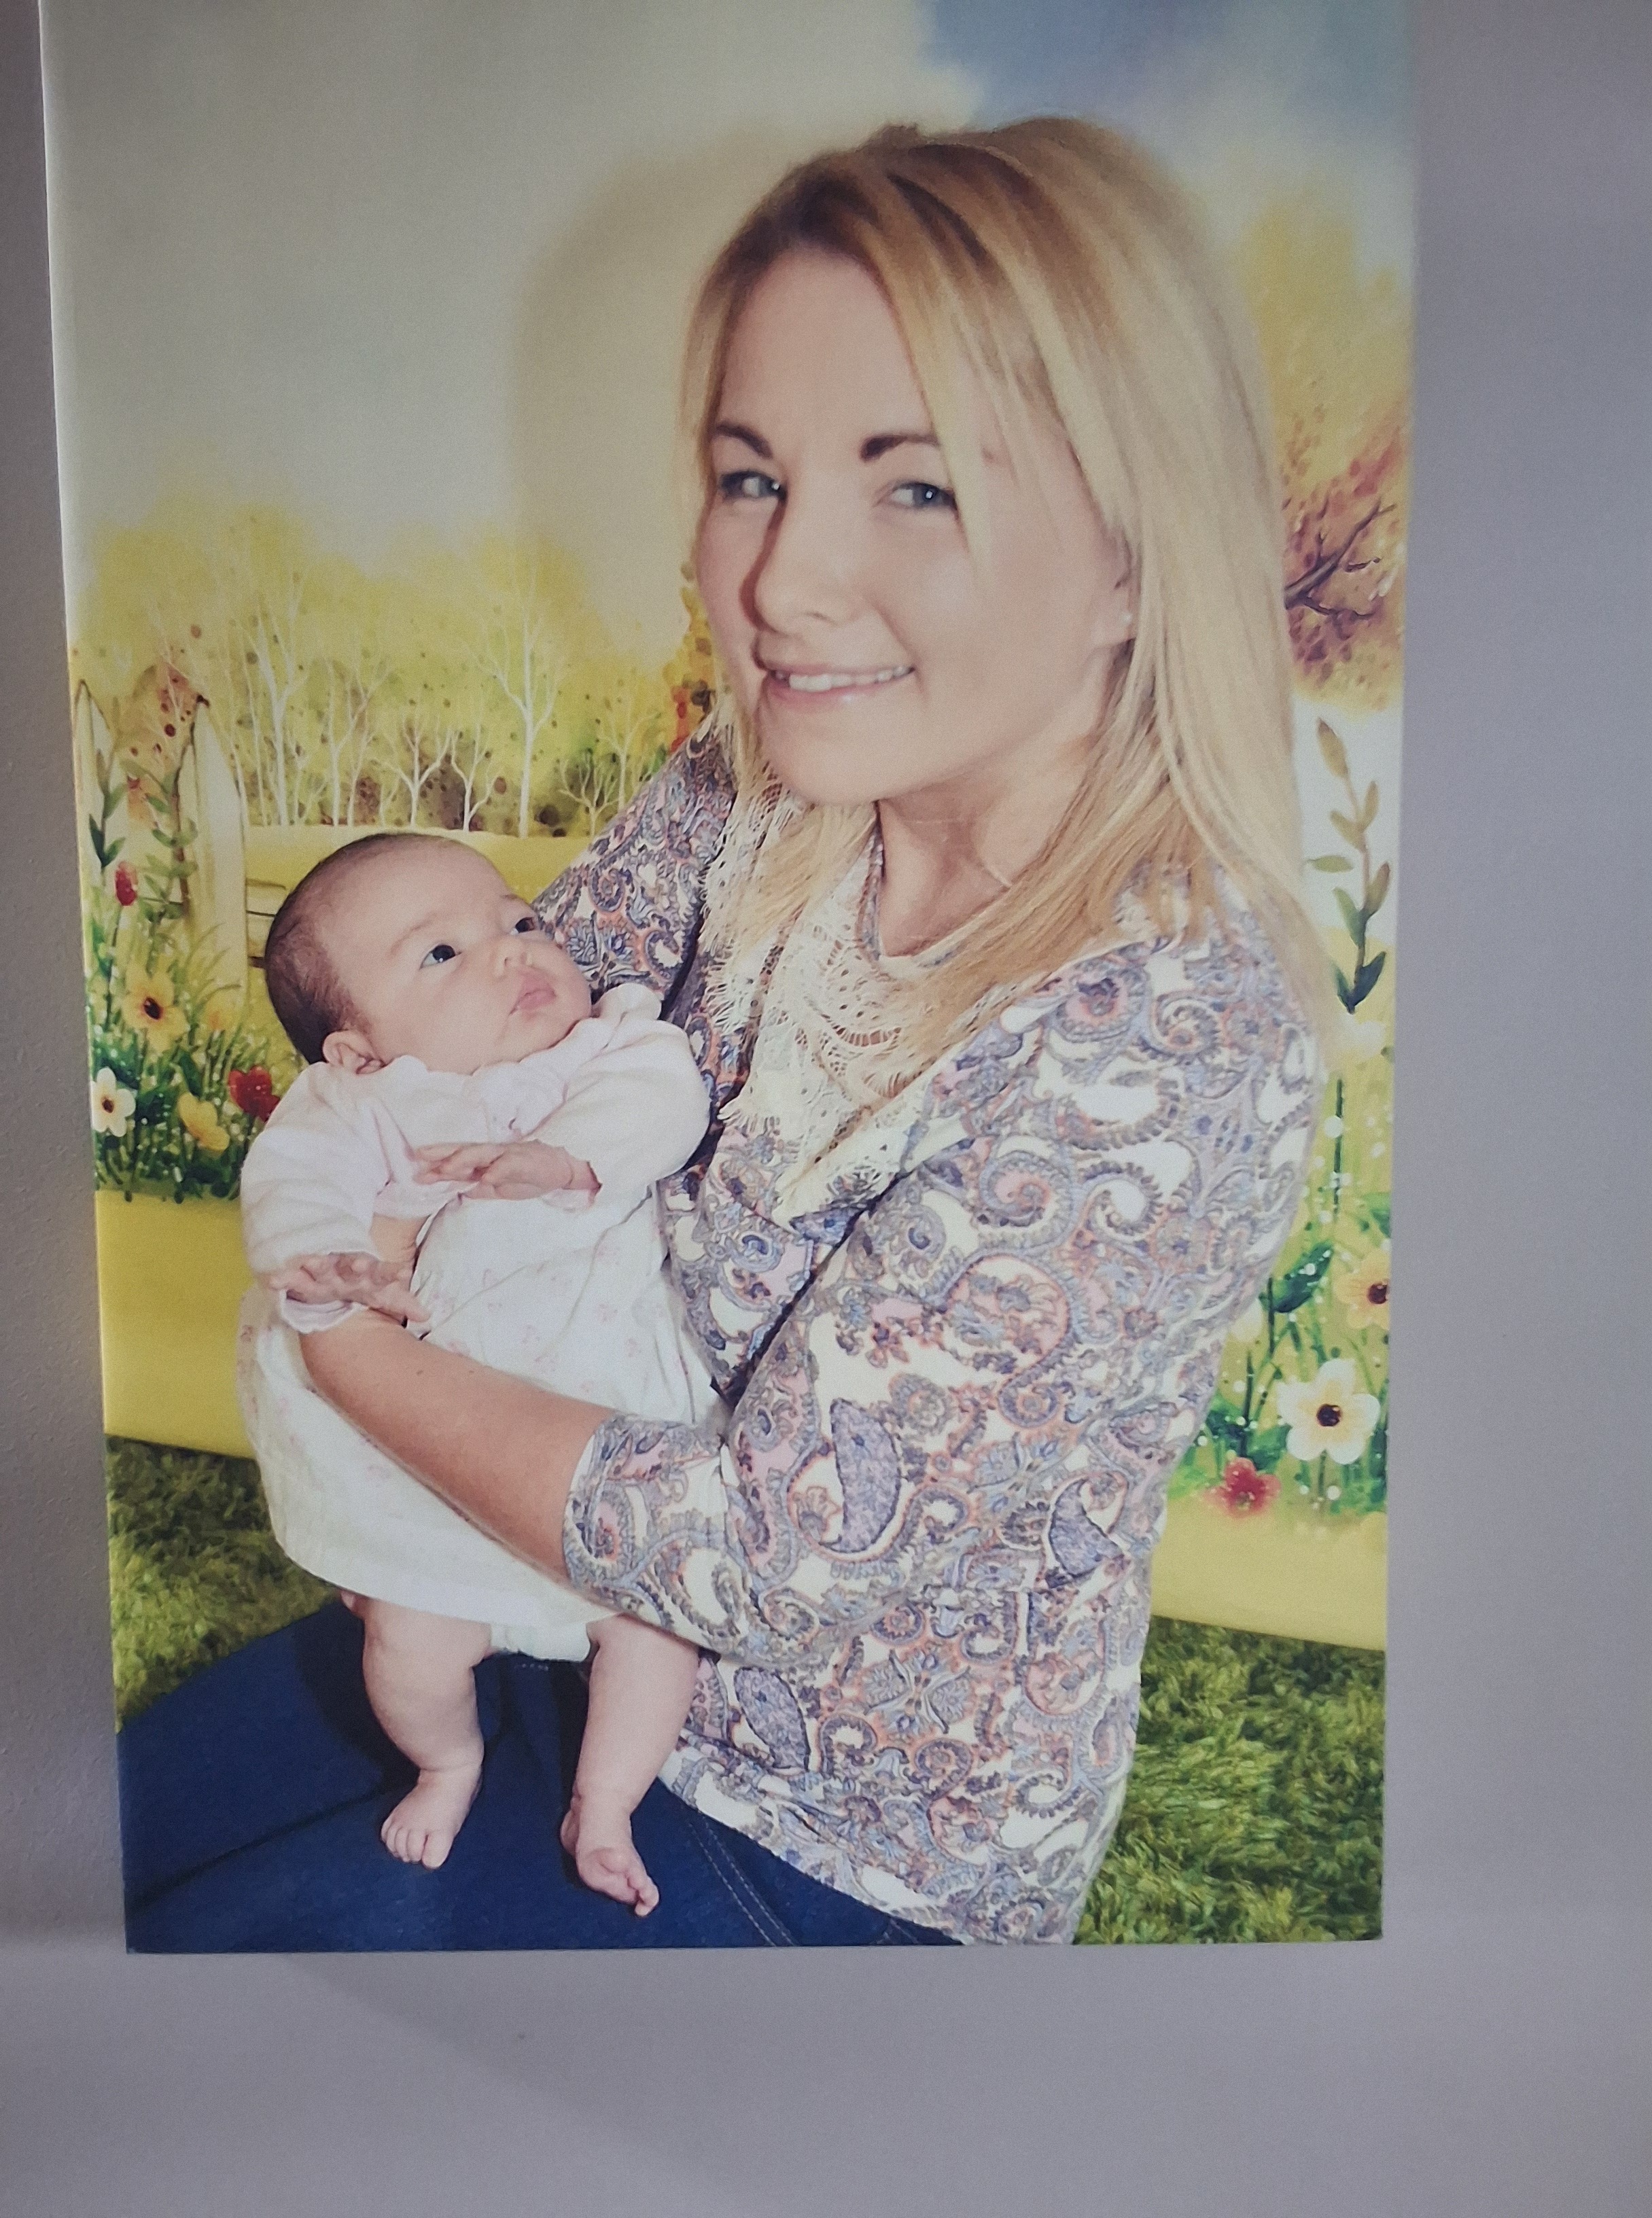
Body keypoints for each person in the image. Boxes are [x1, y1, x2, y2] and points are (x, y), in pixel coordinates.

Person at [122, 116, 1324, 1950]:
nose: (779, 583)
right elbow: (466, 1028)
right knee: (85, 1842)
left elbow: (756, 1556)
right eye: (750, 475)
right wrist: (362, 1223)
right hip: (528, 1587)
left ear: (1133, 562)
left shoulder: (1174, 1035)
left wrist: (339, 1348)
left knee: (211, 1985)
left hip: (828, 1827)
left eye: (918, 488)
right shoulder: (756, 783)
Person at [238, 832, 716, 1907]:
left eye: (519, 919)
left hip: (595, 1423)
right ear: (360, 1051)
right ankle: (447, 1763)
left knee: (655, 1630)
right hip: (435, 1471)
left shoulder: (603, 1048)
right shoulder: (364, 1107)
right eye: (442, 954)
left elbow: (664, 1095)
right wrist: (329, 1259)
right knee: (409, 1644)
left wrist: (567, 1158)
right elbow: (296, 1183)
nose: (512, 951)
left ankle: (604, 1802)